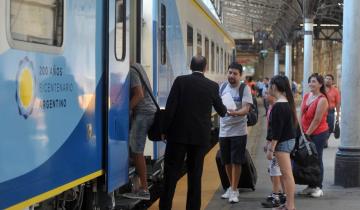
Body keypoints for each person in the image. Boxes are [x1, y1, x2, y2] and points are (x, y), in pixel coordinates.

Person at [159, 56, 227, 210]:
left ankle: (165, 206)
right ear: (205, 68)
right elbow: (222, 111)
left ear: (190, 66)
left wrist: (164, 130)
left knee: (170, 176)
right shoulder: (212, 86)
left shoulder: (180, 81)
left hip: (177, 137)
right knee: (195, 176)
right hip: (199, 138)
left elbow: (170, 108)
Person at [218, 62, 253, 203]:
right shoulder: (222, 87)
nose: (231, 76)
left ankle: (234, 190)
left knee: (236, 161)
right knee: (226, 161)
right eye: (230, 72)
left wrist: (236, 113)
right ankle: (231, 186)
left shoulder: (244, 88)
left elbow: (246, 109)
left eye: (235, 73)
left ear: (240, 75)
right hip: (224, 130)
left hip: (238, 131)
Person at [123, 63, 157, 200]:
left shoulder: (131, 71)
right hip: (145, 112)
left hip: (144, 113)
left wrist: (125, 110)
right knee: (134, 148)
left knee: (137, 150)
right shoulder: (138, 66)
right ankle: (137, 187)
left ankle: (144, 189)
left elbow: (139, 95)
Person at [266, 75, 297, 210]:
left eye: (269, 85)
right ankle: (287, 204)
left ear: (274, 86)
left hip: (283, 143)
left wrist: (270, 149)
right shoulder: (285, 102)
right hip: (287, 141)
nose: (268, 88)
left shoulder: (279, 105)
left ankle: (290, 206)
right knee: (285, 175)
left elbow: (276, 131)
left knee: (287, 175)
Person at [298, 73, 329, 198]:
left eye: (314, 81)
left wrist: (306, 134)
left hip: (318, 133)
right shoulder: (306, 96)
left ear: (320, 84)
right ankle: (310, 186)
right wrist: (300, 131)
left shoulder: (322, 99)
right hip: (306, 133)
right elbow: (300, 113)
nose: (311, 84)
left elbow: (317, 120)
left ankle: (318, 187)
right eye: (310, 81)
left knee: (317, 159)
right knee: (308, 160)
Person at [261, 89, 286, 208]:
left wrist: (271, 146)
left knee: (275, 171)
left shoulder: (275, 108)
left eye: (267, 94)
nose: (264, 96)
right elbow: (270, 129)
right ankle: (280, 193)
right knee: (274, 170)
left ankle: (277, 196)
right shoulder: (271, 108)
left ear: (273, 95)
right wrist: (267, 142)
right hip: (273, 142)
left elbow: (275, 130)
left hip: (277, 144)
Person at [324, 74, 341, 147]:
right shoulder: (321, 89)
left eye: (329, 79)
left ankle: (325, 139)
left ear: (332, 81)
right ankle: (324, 141)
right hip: (321, 111)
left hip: (330, 111)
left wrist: (337, 114)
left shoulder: (335, 90)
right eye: (326, 78)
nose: (327, 80)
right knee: (322, 126)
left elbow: (338, 103)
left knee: (330, 127)